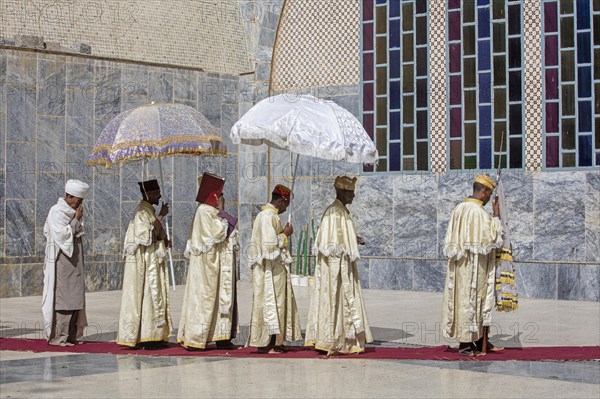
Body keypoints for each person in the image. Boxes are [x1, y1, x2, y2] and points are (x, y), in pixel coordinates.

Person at [305, 176, 373, 355]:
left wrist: (354, 239)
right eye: (351, 192)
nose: (354, 196)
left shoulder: (340, 211)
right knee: (336, 301)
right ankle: (334, 339)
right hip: (336, 269)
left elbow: (341, 237)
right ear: (342, 192)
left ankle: (340, 337)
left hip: (342, 266)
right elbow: (333, 247)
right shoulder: (334, 212)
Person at [441, 174, 504, 356]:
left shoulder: (459, 208)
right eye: (489, 194)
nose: (489, 198)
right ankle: (466, 344)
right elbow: (492, 238)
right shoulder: (478, 212)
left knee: (469, 300)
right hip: (474, 266)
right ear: (483, 192)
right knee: (472, 301)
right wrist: (497, 214)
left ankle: (479, 339)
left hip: (461, 265)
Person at [177, 176, 239, 350]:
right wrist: (222, 210)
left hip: (218, 264)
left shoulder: (210, 211)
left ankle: (222, 336)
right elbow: (219, 233)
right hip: (206, 268)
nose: (222, 197)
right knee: (204, 299)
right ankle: (197, 337)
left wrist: (221, 212)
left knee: (219, 300)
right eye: (220, 194)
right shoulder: (204, 211)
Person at [117, 179, 172, 348]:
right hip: (146, 266)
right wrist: (161, 215)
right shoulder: (141, 212)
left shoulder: (149, 211)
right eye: (157, 193)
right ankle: (147, 336)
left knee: (155, 297)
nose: (160, 195)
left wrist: (165, 240)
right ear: (148, 194)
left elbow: (156, 235)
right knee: (149, 297)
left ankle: (156, 334)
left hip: (153, 262)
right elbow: (146, 237)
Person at [248, 184, 301, 353]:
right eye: (286, 204)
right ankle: (266, 343)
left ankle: (276, 340)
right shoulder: (267, 217)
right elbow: (269, 246)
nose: (286, 208)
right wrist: (285, 234)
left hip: (275, 269)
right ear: (280, 201)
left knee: (277, 303)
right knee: (270, 303)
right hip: (268, 271)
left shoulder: (270, 216)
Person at [42, 179, 90, 346]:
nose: (80, 204)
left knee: (76, 298)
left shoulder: (71, 212)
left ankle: (72, 335)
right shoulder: (56, 212)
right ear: (70, 197)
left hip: (75, 259)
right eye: (79, 200)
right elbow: (62, 236)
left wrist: (76, 219)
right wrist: (76, 219)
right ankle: (59, 337)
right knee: (64, 299)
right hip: (62, 260)